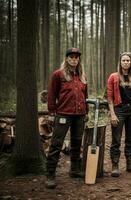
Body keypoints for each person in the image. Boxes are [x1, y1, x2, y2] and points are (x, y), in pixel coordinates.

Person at [45, 47, 88, 189]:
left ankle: (74, 170)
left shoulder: (82, 76)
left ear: (78, 59)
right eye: (71, 57)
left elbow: (85, 96)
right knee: (56, 143)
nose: (74, 60)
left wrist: (86, 111)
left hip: (80, 115)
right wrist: (51, 113)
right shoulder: (58, 75)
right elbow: (51, 94)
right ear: (67, 59)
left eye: (76, 57)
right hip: (63, 114)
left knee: (76, 143)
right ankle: (50, 174)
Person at [107, 52, 131, 177]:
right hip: (119, 111)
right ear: (120, 62)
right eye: (124, 60)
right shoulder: (113, 77)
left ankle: (130, 164)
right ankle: (115, 165)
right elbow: (110, 97)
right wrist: (112, 114)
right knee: (116, 139)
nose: (126, 62)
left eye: (128, 60)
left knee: (130, 139)